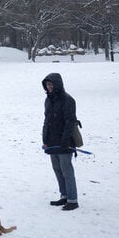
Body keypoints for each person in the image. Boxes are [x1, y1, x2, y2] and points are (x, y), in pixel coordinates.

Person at [41, 72, 79, 211]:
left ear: (57, 85)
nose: (49, 87)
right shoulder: (48, 100)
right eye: (47, 85)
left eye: (51, 84)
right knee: (57, 169)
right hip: (52, 142)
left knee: (66, 171)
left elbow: (70, 121)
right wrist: (45, 137)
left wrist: (65, 140)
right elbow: (47, 120)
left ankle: (72, 200)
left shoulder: (68, 100)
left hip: (65, 142)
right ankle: (64, 196)